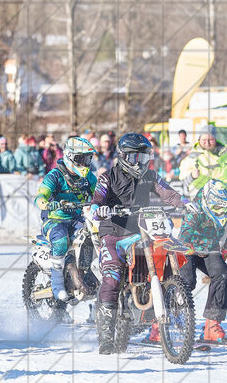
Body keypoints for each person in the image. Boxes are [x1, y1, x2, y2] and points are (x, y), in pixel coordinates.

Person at [90, 133, 184, 354]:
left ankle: (169, 306)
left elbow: (168, 193)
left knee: (166, 258)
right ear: (123, 156)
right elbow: (97, 201)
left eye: (144, 158)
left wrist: (185, 203)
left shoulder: (150, 176)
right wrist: (100, 209)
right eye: (135, 158)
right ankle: (105, 335)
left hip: (142, 230)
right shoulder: (108, 178)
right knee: (112, 277)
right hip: (114, 233)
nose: (139, 163)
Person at [174, 179, 227, 344]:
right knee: (187, 281)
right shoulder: (195, 210)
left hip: (210, 248)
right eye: (218, 208)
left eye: (224, 208)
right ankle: (165, 321)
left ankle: (212, 325)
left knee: (222, 275)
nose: (222, 211)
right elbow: (184, 237)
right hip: (188, 248)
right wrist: (189, 249)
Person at [33, 137, 97, 301]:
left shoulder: (88, 177)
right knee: (61, 240)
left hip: (78, 218)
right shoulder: (55, 175)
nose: (84, 163)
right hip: (54, 219)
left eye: (88, 159)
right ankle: (57, 284)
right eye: (80, 159)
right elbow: (41, 195)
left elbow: (100, 194)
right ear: (69, 156)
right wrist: (46, 203)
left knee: (97, 233)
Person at [179, 124, 227, 209]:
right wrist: (192, 176)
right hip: (207, 209)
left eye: (211, 139)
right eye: (204, 139)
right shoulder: (193, 158)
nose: (207, 143)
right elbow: (183, 182)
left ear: (215, 139)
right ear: (199, 140)